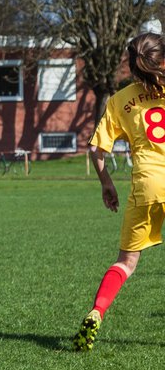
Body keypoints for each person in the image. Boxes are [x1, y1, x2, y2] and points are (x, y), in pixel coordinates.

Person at [74, 32, 165, 351]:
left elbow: (97, 150)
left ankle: (97, 312)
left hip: (146, 184)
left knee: (126, 262)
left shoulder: (119, 99)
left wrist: (107, 184)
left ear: (131, 67)